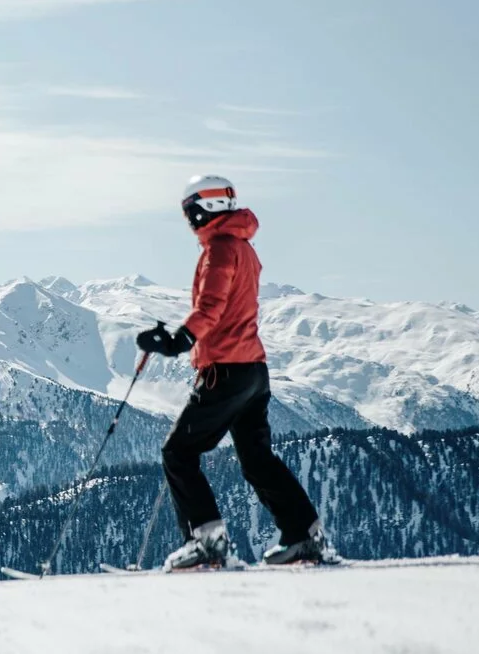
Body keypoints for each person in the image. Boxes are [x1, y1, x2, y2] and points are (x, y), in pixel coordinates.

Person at [136, 175, 335, 569]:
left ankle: (207, 543)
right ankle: (303, 535)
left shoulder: (220, 249)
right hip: (254, 370)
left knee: (178, 452)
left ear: (201, 208)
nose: (188, 220)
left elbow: (212, 304)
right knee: (256, 458)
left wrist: (179, 341)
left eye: (188, 211)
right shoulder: (243, 247)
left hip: (225, 369)